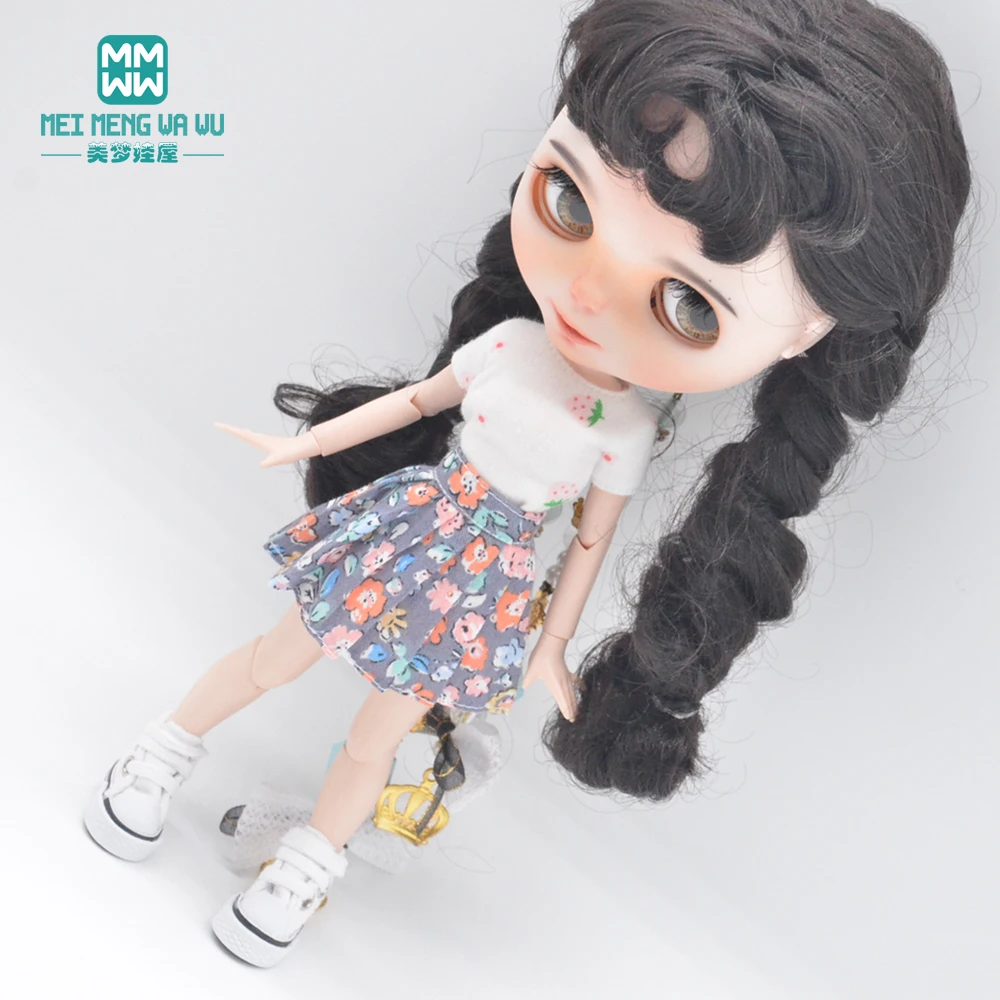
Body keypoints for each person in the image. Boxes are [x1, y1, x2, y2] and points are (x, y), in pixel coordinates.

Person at [83, 0, 972, 969]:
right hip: (417, 523)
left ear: (807, 334)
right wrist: (301, 444)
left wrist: (551, 646)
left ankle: (303, 867)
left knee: (377, 738)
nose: (586, 292)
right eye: (570, 203)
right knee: (279, 652)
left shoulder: (623, 430)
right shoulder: (509, 346)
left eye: (687, 304)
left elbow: (589, 540)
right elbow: (418, 401)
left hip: (484, 588)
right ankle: (158, 754)